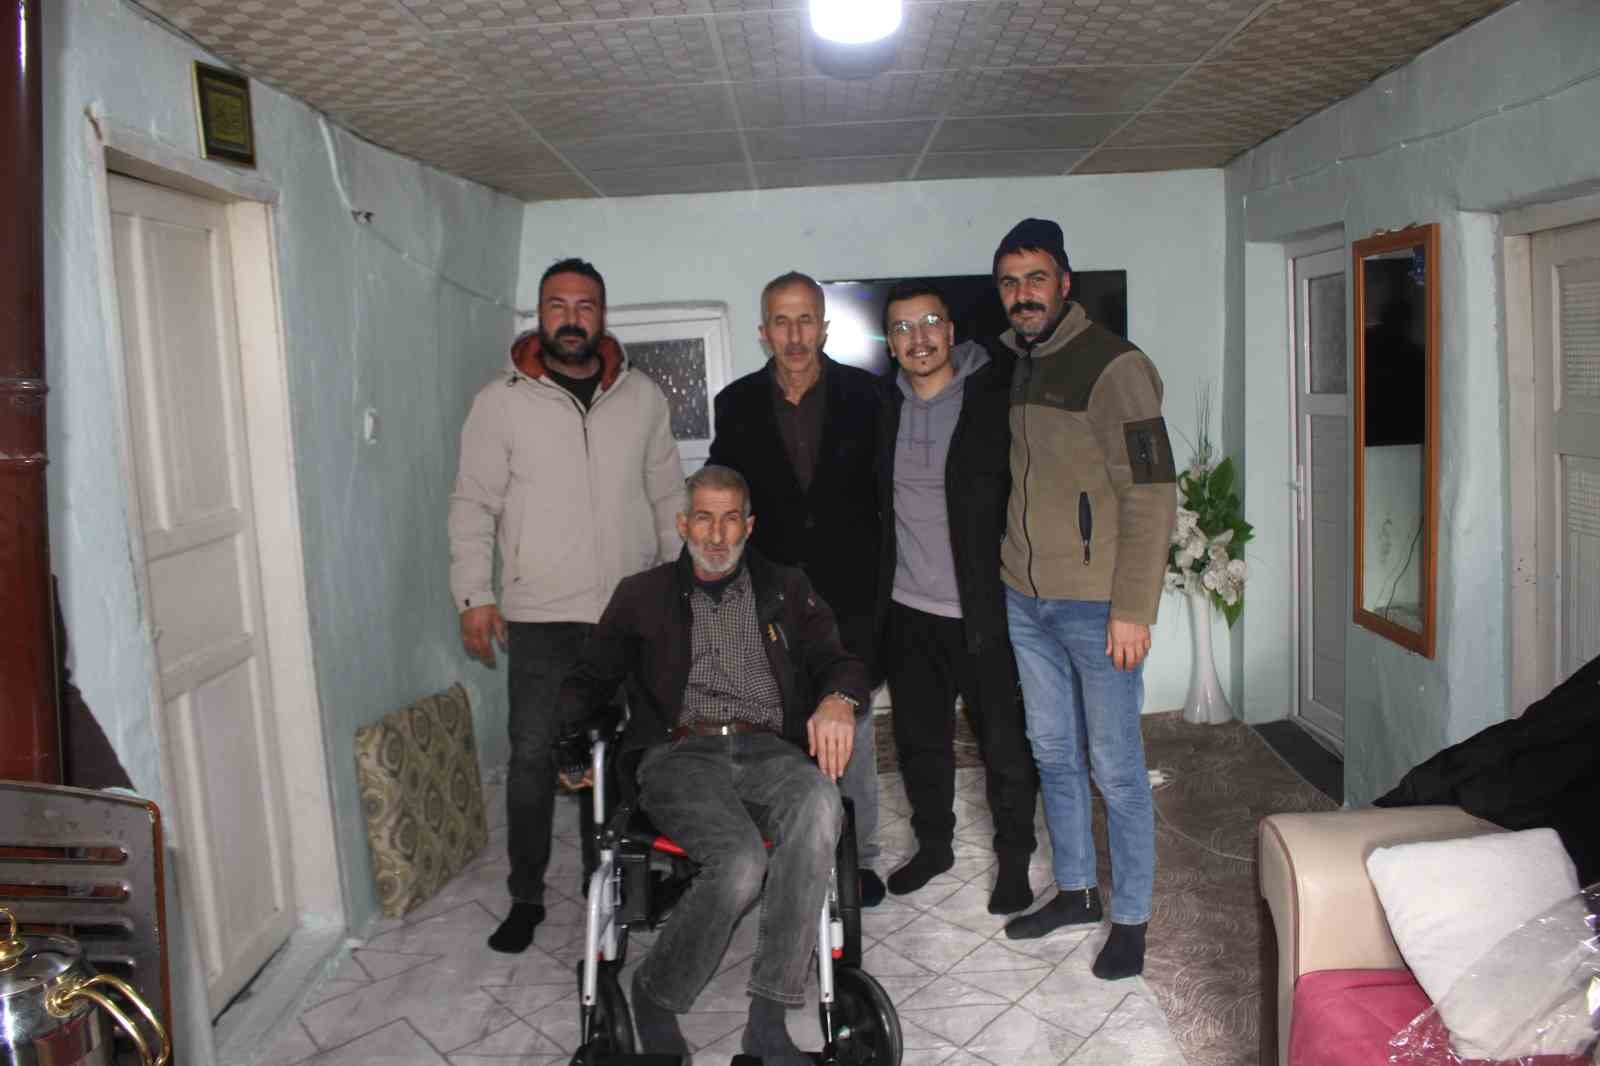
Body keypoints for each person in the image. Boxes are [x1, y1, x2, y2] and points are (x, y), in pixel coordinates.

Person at [556, 465, 872, 1065]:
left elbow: (840, 662)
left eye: (730, 519)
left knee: (819, 804)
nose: (718, 534)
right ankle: (655, 994)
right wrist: (571, 740)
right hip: (679, 755)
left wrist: (839, 698)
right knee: (741, 859)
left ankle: (768, 1024)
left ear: (749, 526)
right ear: (683, 524)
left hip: (769, 749)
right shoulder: (641, 595)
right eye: (704, 517)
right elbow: (589, 677)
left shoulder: (786, 588)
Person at [448, 257, 683, 953]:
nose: (572, 318)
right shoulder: (501, 401)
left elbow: (668, 496)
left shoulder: (643, 397)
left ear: (602, 316)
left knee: (624, 754)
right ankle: (526, 896)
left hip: (629, 612)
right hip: (541, 616)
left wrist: (681, 590)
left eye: (585, 305)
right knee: (532, 757)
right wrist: (474, 593)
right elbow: (474, 503)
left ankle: (603, 883)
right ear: (540, 314)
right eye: (558, 305)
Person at [990, 219, 1177, 980]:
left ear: (1065, 283)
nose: (1023, 295)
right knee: (1054, 753)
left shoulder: (1115, 366)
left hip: (1098, 607)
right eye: (1010, 283)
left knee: (1117, 768)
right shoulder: (1019, 361)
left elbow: (1153, 491)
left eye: (1036, 278)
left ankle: (1130, 919)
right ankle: (1076, 890)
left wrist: (1133, 608)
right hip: (1025, 599)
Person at [707, 271, 887, 905]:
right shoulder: (734, 405)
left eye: (805, 319)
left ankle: (861, 859)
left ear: (824, 327)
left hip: (853, 596)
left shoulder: (869, 396)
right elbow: (727, 503)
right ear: (764, 332)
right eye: (781, 322)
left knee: (852, 726)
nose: (794, 335)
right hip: (771, 602)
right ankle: (793, 853)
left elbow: (888, 500)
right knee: (781, 732)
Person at [873, 280, 1040, 914]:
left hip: (983, 611)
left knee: (1004, 744)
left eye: (928, 323)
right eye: (902, 327)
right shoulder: (881, 409)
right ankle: (934, 846)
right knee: (920, 742)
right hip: (907, 611)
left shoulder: (993, 396)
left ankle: (1014, 859)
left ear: (950, 330)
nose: (917, 338)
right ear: (889, 343)